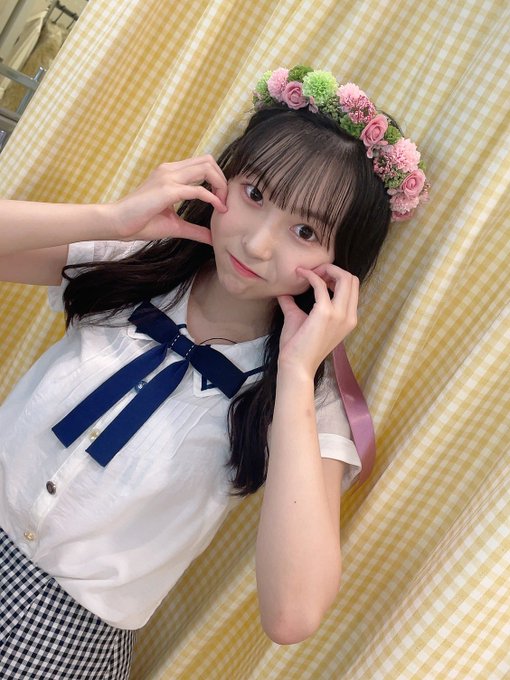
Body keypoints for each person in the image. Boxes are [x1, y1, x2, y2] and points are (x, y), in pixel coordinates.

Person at [0, 66, 428, 679]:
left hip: (64, 645)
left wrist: (297, 375)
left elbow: (292, 615)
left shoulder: (306, 400)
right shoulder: (133, 267)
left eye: (305, 231)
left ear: (341, 266)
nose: (257, 245)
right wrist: (109, 218)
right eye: (254, 194)